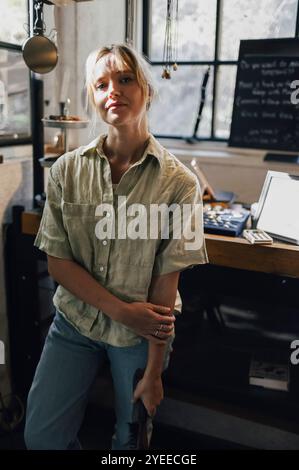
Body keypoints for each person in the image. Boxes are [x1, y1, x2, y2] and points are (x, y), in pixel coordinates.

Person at [24, 43, 208, 450]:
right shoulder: (66, 171)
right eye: (102, 84)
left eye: (125, 79)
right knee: (41, 437)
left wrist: (155, 370)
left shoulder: (179, 184)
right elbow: (58, 264)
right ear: (92, 97)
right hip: (75, 321)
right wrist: (123, 310)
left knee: (130, 439)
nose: (114, 91)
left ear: (147, 90)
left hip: (141, 334)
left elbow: (166, 287)